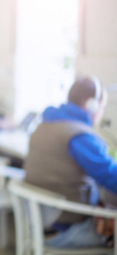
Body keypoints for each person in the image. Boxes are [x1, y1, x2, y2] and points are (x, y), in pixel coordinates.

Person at [24, 76, 117, 249]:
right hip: (66, 231)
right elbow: (111, 177)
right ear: (92, 105)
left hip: (37, 223)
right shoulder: (80, 135)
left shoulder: (43, 125)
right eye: (102, 107)